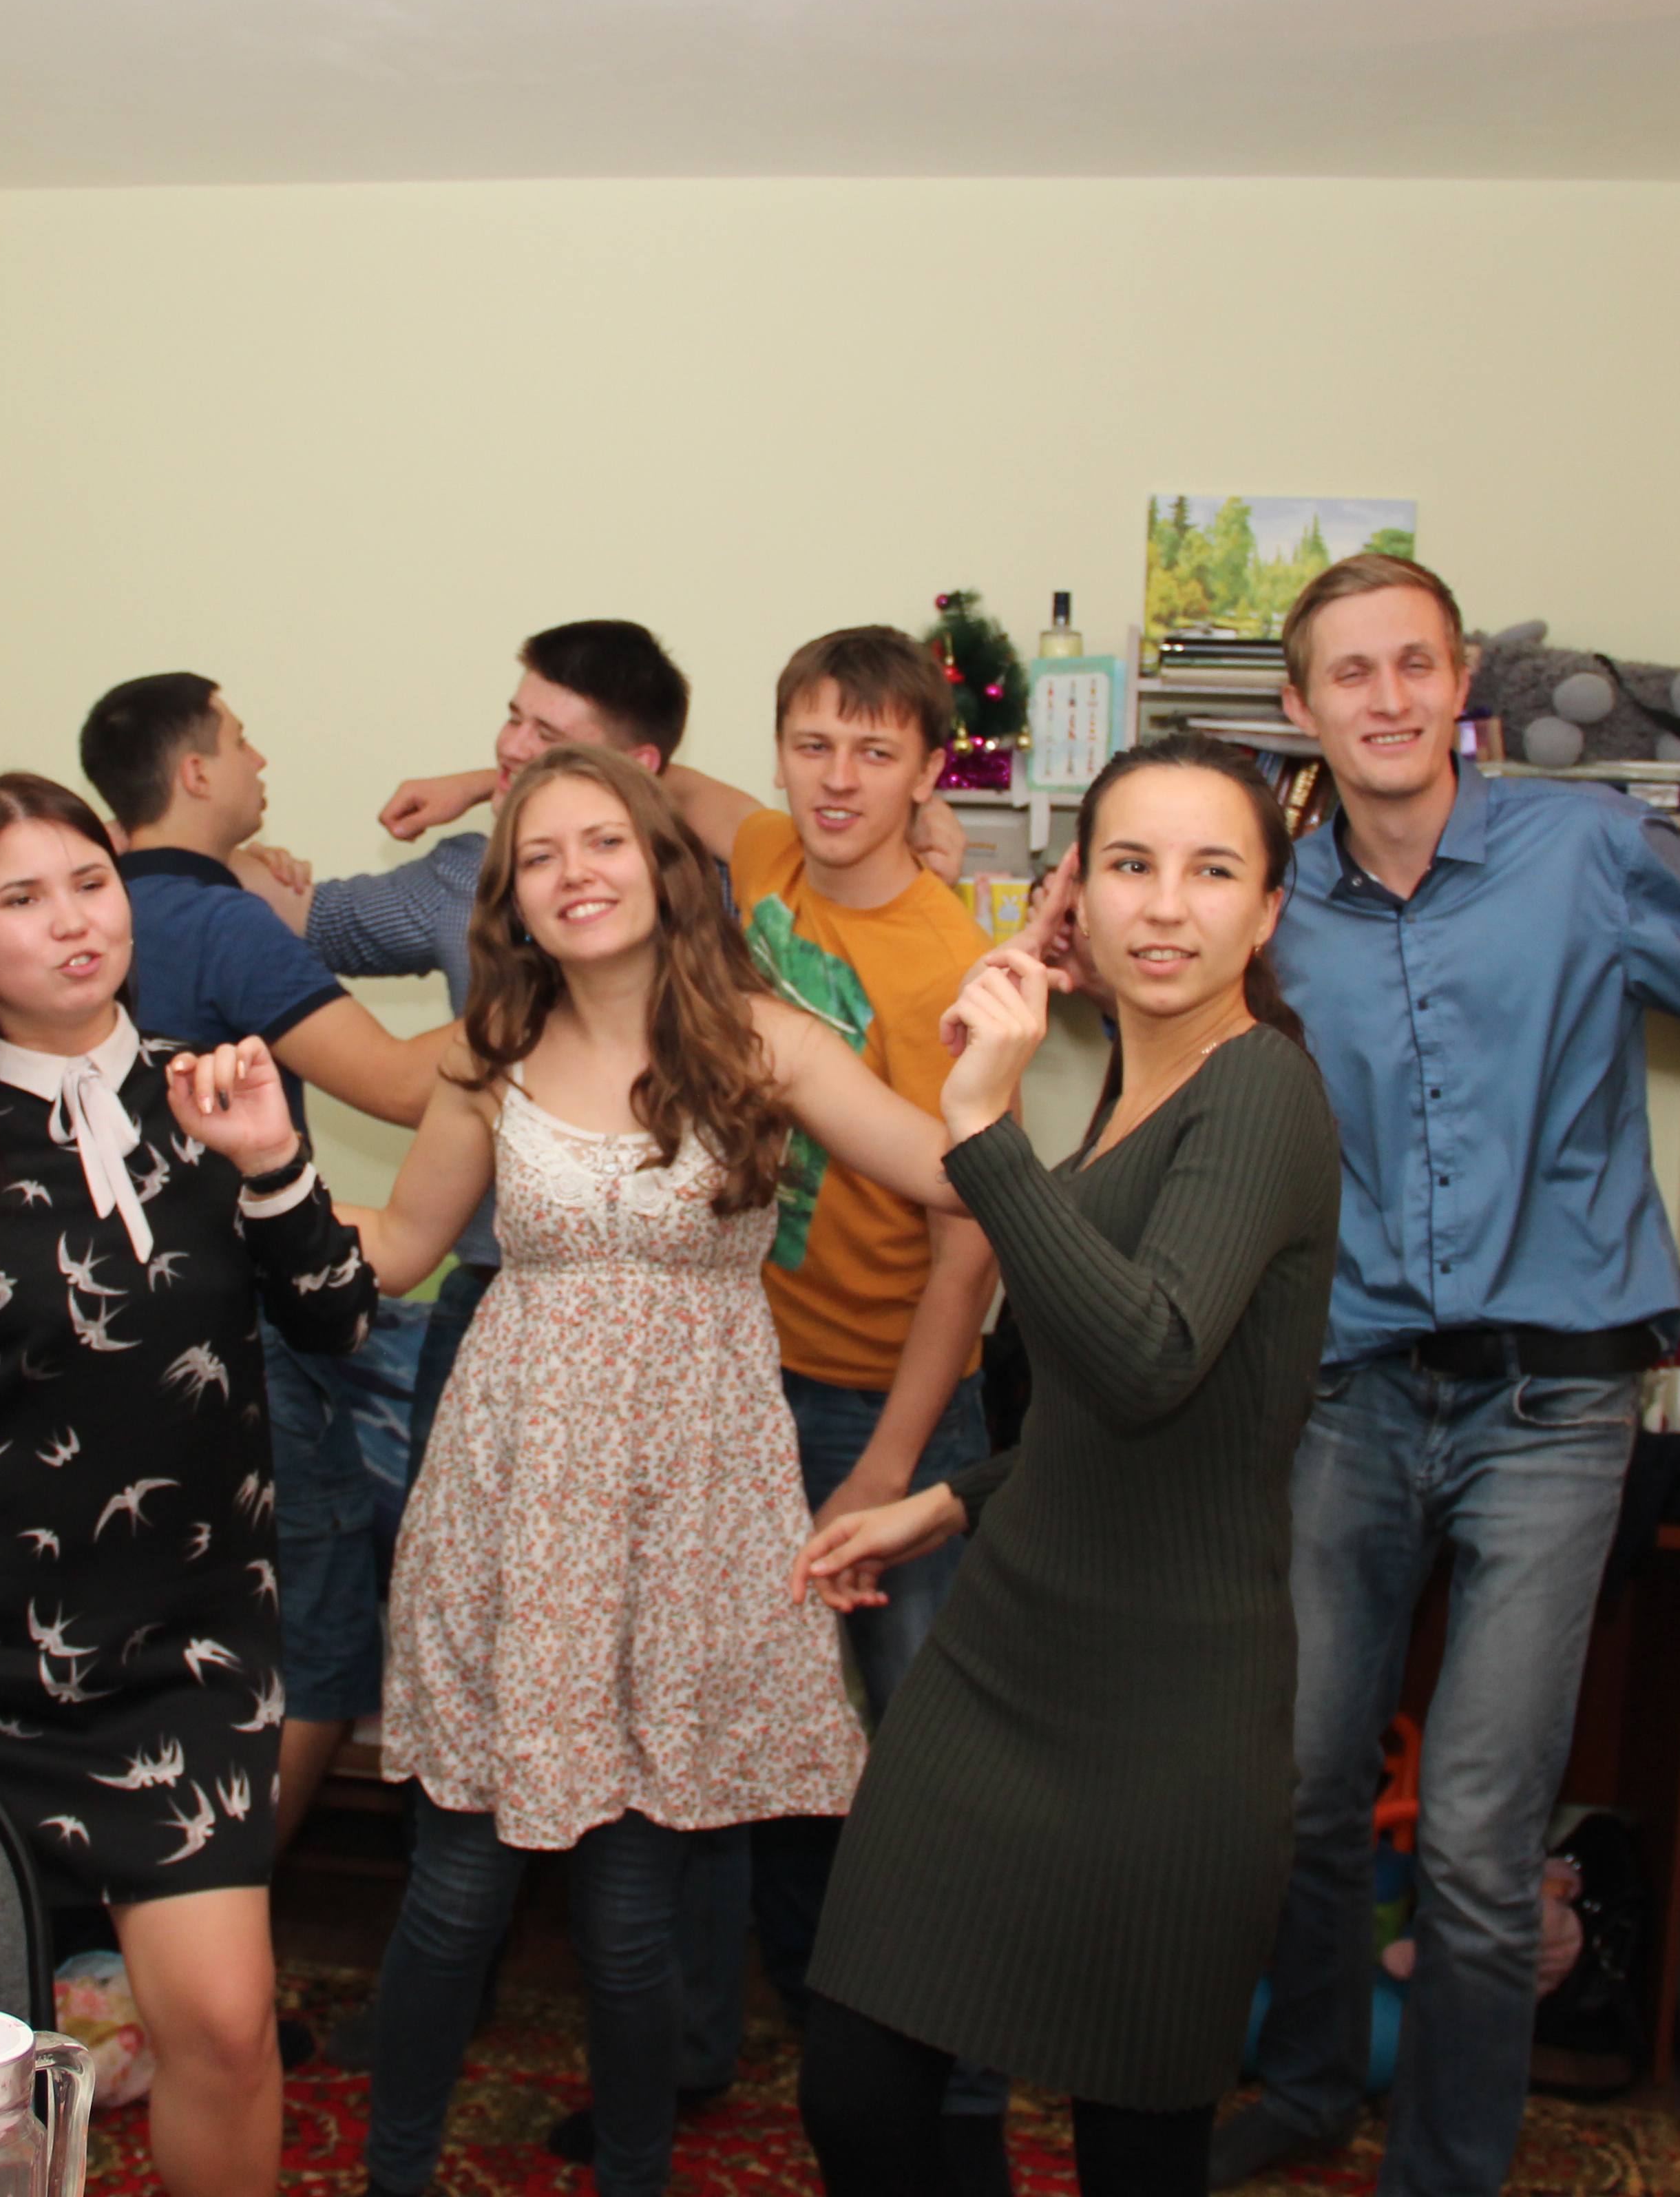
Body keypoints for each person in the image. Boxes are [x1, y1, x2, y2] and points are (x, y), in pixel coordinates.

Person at [1211, 554, 1680, 2196]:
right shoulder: (1273, 905)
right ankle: (1309, 2082)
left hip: (1555, 1409)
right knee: (1301, 1789)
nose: (1386, 697)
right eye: (1349, 672)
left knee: (1480, 1834)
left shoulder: (1584, 851)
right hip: (1350, 1396)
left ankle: (1445, 2173)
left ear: (1460, 690)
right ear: (1299, 707)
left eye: (1413, 664)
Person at [341, 744, 970, 2197]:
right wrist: (251, 1173)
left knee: (632, 1921)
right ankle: (392, 2177)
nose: (574, 873)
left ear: (662, 864)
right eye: (539, 854)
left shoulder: (764, 1039)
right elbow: (403, 1246)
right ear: (511, 898)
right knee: (455, 1895)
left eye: (602, 841)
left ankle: (635, 2177)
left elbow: (954, 1176)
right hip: (512, 1505)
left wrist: (1003, 1060)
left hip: (685, 1512)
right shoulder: (488, 1053)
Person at [0, 771, 377, 2197]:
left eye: (91, 883)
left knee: (226, 2028)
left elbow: (339, 1318)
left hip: (183, 1652)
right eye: (23, 900)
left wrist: (274, 1164)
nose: (75, 920)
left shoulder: (212, 1094)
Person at [787, 733, 1343, 2197]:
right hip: (1002, 1664)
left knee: (1133, 2142)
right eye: (1130, 865)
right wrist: (945, 1500)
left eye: (1210, 872)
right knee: (857, 2082)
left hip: (1169, 1706)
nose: (1164, 905)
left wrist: (981, 1128)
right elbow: (1105, 1417)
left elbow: (1151, 1358)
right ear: (1076, 896)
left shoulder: (1261, 1093)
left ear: (1268, 911)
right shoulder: (1130, 1095)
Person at [652, 627, 1007, 2176]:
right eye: (814, 745)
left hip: (890, 1398)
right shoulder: (768, 855)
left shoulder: (949, 963)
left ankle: (965, 2098)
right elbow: (668, 786)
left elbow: (972, 1236)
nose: (839, 779)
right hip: (743, 1378)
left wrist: (894, 1466)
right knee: (739, 1737)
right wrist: (486, 774)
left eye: (876, 752)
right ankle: (735, 2045)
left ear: (931, 772)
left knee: (924, 1765)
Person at [78, 673, 458, 1853]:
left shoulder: (91, 919)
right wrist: (568, 994)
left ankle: (133, 1891)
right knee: (323, 1644)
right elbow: (401, 1085)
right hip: (240, 1324)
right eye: (241, 741)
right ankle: (217, 1900)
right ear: (194, 771)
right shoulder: (220, 923)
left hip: (114, 1330)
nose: (260, 762)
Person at [241, 620, 697, 1451]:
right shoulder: (465, 884)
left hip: (670, 1320)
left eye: (549, 735)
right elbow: (310, 922)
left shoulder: (703, 893)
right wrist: (191, 846)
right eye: (514, 719)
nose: (513, 744)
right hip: (490, 1284)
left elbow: (774, 824)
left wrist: (488, 783)